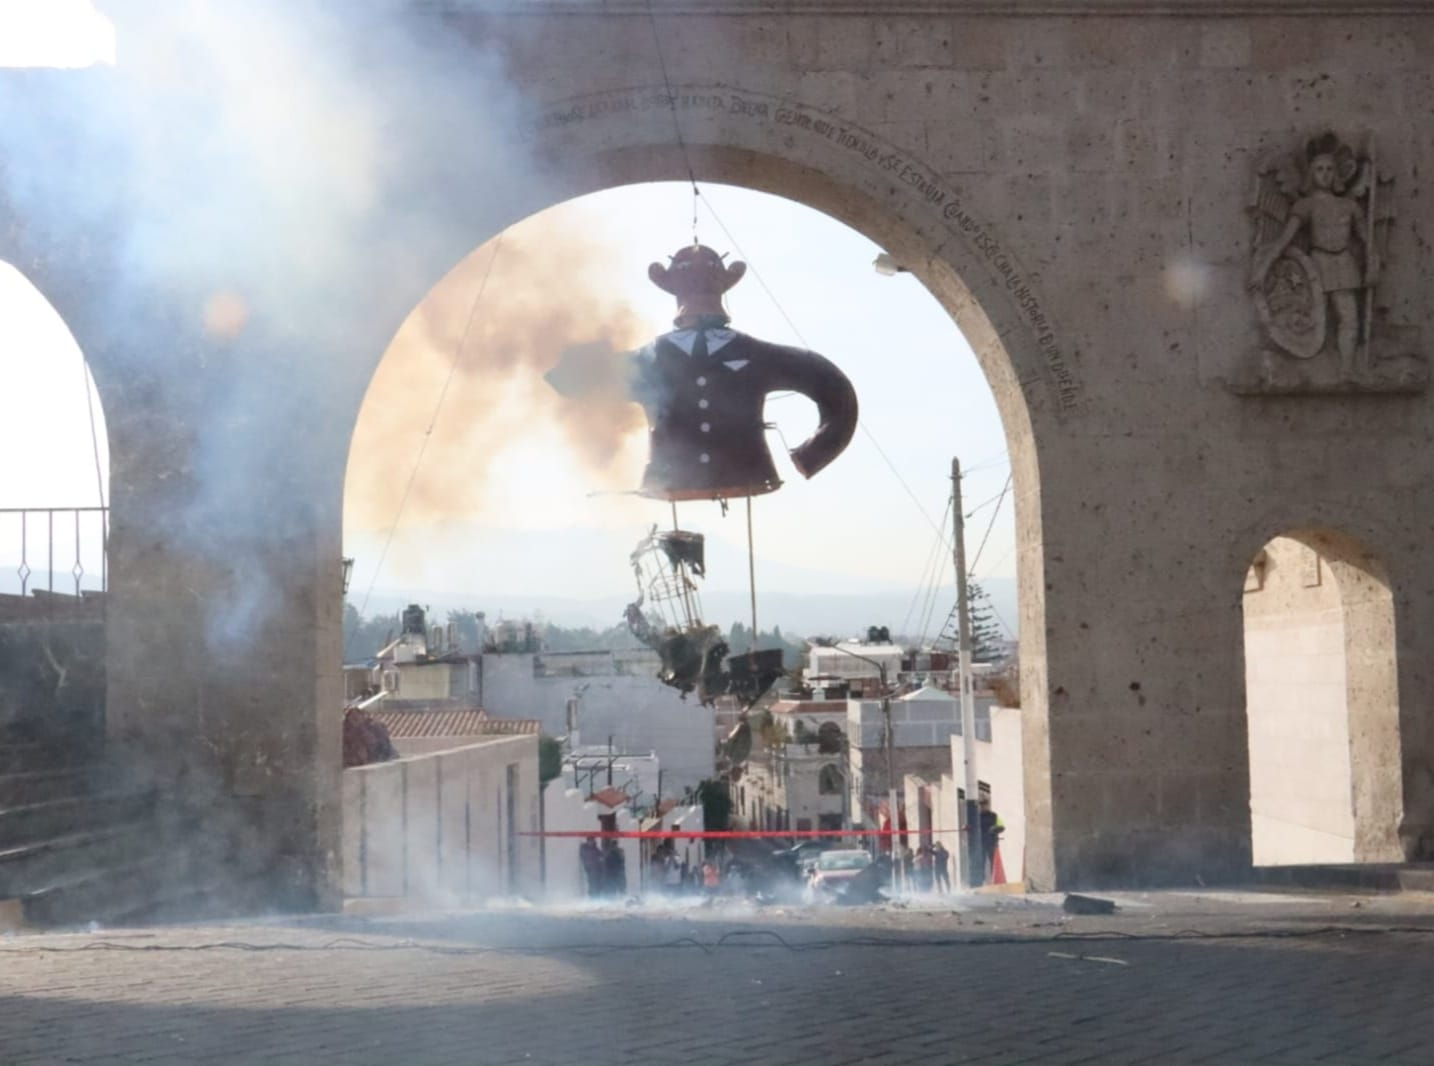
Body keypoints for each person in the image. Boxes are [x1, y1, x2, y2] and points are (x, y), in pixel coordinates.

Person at [1251, 139, 1378, 379]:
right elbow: (1283, 241)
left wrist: (1373, 262)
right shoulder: (1305, 205)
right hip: (1317, 265)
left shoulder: (1349, 206)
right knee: (1314, 318)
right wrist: (1263, 269)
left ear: (1337, 173)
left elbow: (1367, 241)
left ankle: (1346, 370)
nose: (1325, 174)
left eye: (1330, 169)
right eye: (1320, 169)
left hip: (1345, 263)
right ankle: (1311, 365)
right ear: (1311, 173)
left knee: (1349, 318)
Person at [978, 798, 1004, 882]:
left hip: (992, 843)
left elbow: (1002, 826)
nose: (982, 807)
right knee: (980, 863)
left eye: (984, 805)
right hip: (981, 843)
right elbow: (971, 827)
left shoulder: (994, 815)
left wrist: (995, 828)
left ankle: (994, 880)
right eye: (981, 805)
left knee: (993, 862)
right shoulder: (977, 817)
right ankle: (981, 881)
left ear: (987, 805)